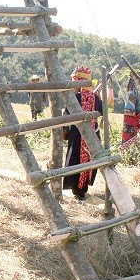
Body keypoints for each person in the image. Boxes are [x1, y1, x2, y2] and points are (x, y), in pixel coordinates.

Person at [63, 66, 104, 200]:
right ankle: (82, 188)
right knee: (90, 159)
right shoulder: (96, 99)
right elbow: (102, 112)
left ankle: (76, 188)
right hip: (93, 134)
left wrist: (65, 132)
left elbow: (66, 117)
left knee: (75, 159)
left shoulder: (75, 98)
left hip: (77, 134)